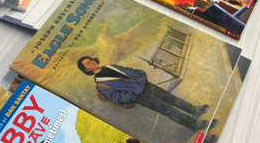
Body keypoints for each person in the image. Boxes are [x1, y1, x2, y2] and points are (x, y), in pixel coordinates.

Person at [76, 57, 213, 133]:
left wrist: (140, 75)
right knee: (168, 110)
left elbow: (129, 70)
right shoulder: (101, 84)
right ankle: (195, 124)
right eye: (88, 63)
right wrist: (133, 91)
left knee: (173, 99)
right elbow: (117, 98)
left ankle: (195, 110)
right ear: (87, 69)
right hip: (141, 97)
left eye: (90, 60)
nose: (91, 62)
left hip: (147, 85)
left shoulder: (109, 66)